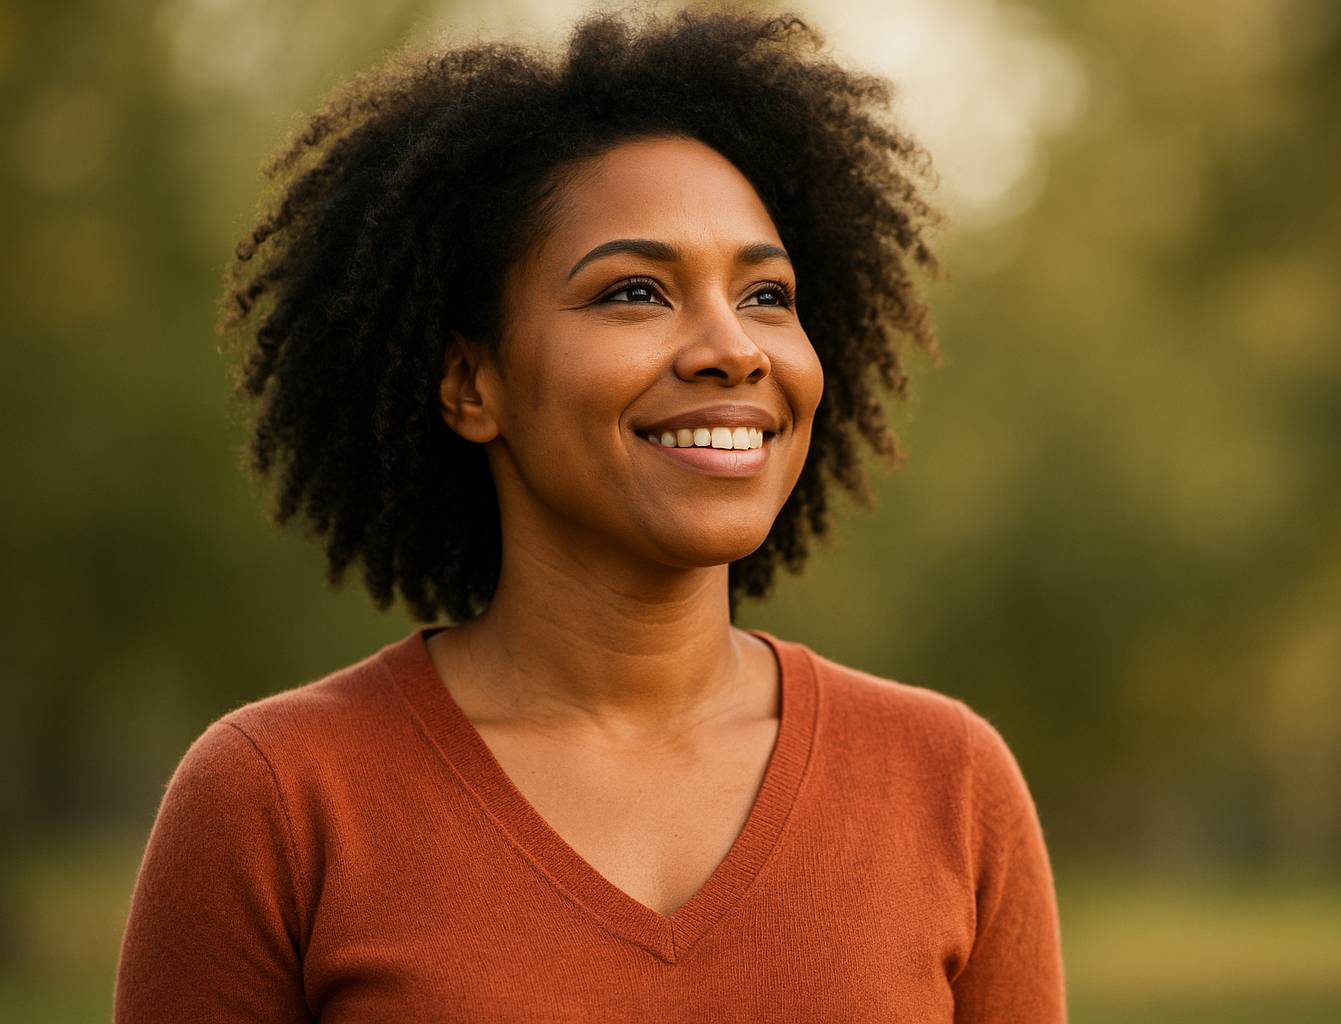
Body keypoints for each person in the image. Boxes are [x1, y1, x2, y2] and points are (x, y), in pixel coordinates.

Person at [114, 8, 1065, 1022]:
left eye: (767, 295)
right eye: (637, 291)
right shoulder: (278, 799)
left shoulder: (948, 782)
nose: (732, 349)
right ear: (471, 384)